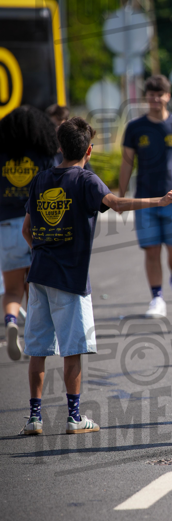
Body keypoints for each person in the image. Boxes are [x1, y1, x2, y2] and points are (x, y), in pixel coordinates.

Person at [20, 117, 172, 435]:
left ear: (60, 147)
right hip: (70, 280)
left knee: (37, 350)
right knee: (73, 350)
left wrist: (42, 251)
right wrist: (160, 200)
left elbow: (27, 230)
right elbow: (118, 205)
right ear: (90, 150)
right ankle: (73, 417)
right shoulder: (86, 181)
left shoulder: (40, 180)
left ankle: (34, 418)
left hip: (39, 275)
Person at [120, 74, 172, 318]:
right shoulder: (135, 127)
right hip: (144, 200)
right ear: (146, 98)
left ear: (168, 96)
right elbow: (126, 162)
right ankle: (157, 298)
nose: (155, 100)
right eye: (151, 95)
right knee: (151, 251)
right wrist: (120, 197)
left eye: (160, 95)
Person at [0, 106, 58, 361]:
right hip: (36, 227)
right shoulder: (43, 155)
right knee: (35, 290)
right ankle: (37, 339)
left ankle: (11, 321)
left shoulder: (1, 155)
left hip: (5, 227)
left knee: (12, 290)